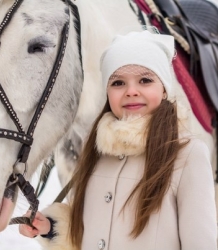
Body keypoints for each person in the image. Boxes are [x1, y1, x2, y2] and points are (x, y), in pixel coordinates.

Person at [19, 29, 217, 250]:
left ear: (163, 90)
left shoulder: (187, 153)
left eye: (145, 80)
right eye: (118, 83)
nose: (131, 91)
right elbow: (88, 227)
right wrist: (50, 227)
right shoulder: (96, 148)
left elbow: (201, 243)